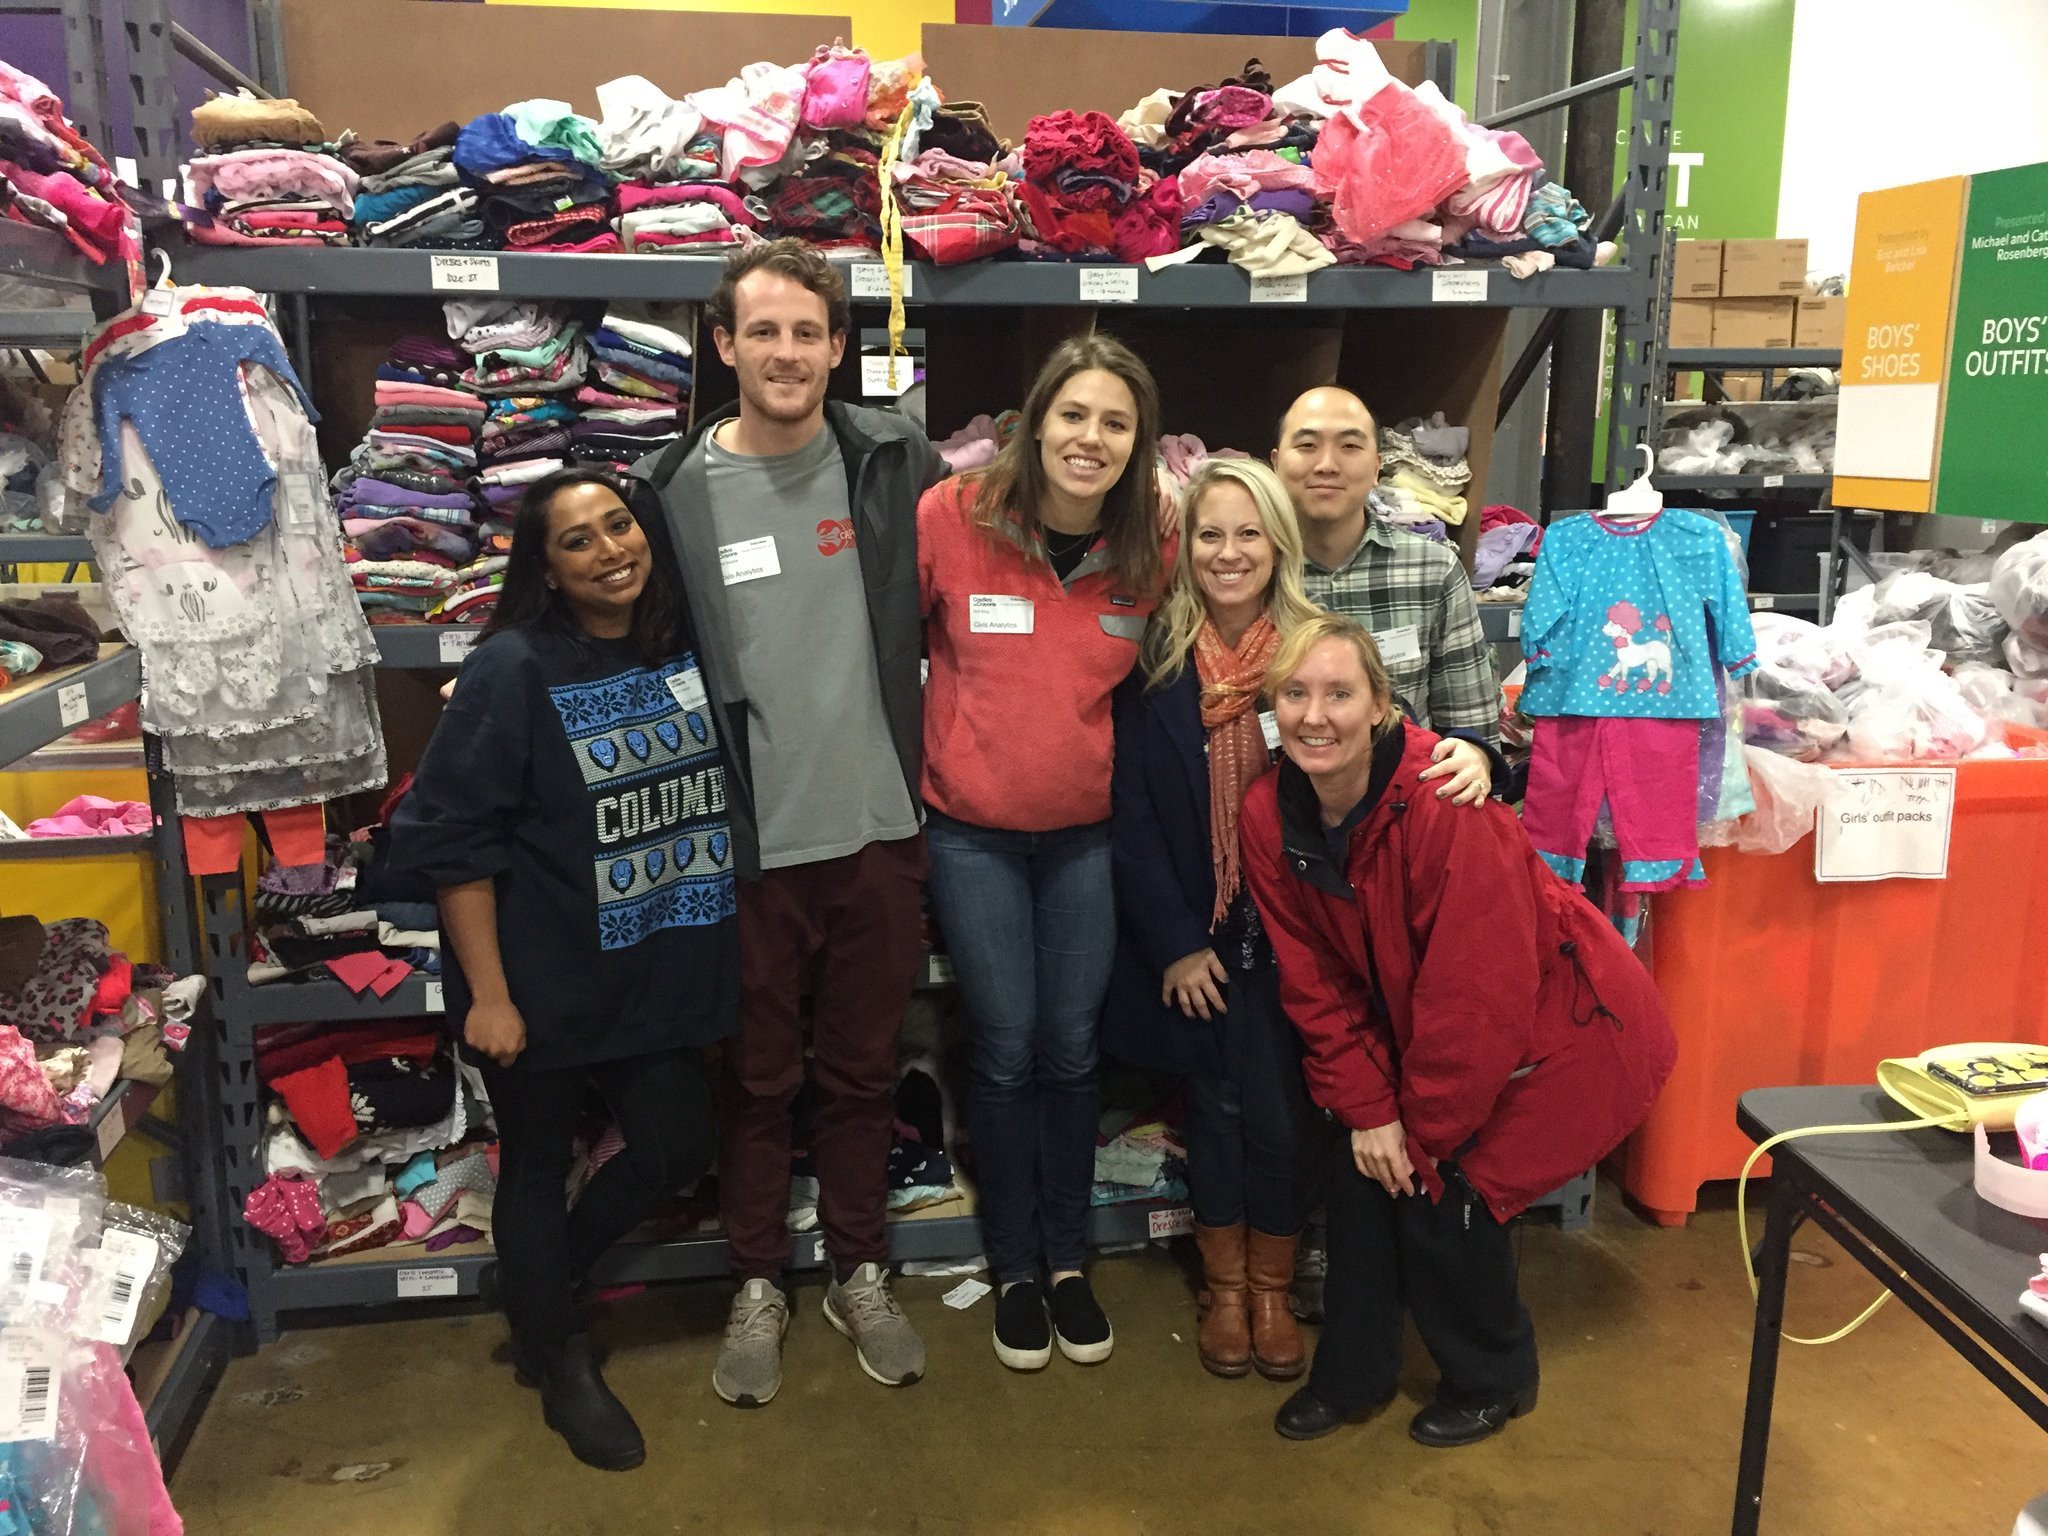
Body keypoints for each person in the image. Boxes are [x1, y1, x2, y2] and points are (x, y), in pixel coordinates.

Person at [1240, 614, 1676, 1448]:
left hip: (1571, 1033)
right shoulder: (1270, 814)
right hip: (1435, 1029)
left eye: (1339, 692)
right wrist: (1370, 1112)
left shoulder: (1444, 803)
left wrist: (1420, 1133)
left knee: (1449, 1193)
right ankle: (1354, 1376)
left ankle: (1494, 1378)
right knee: (1358, 1169)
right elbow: (1313, 978)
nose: (1315, 714)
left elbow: (1478, 998)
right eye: (1295, 694)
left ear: (1380, 707)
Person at [1105, 459, 1498, 1383]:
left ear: (1278, 540)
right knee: (1216, 1109)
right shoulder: (1156, 662)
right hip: (1199, 942)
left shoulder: (1309, 655)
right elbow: (1130, 816)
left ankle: (1275, 1288)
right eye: (1210, 534)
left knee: (1283, 1116)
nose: (1229, 553)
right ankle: (1226, 1287)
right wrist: (1174, 942)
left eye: (1249, 533)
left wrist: (1476, 753)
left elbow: (1385, 740)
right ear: (1185, 546)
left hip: (1303, 936)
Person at [636, 239, 944, 1406]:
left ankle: (860, 1270)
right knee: (757, 1082)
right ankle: (756, 1279)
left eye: (807, 333)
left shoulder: (891, 457)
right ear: (723, 345)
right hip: (753, 843)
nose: (786, 353)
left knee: (863, 1073)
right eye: (762, 331)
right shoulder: (671, 490)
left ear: (835, 348)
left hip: (876, 830)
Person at [390, 468, 739, 1471]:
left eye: (618, 526)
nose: (609, 550)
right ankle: (560, 1358)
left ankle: (544, 1287)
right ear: (545, 568)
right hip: (537, 981)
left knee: (678, 1142)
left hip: (653, 972)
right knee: (536, 1167)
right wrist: (490, 996)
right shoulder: (511, 666)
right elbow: (453, 837)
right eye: (577, 540)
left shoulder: (677, 647)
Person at [918, 333, 1167, 1373]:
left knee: (1071, 1051)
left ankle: (1068, 1263)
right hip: (969, 834)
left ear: (1136, 444)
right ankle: (1013, 1264)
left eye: (1115, 423)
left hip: (1083, 842)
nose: (1090, 439)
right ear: (1033, 422)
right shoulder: (952, 518)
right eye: (1074, 415)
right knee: (1007, 1045)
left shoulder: (1151, 546)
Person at [1271, 386, 1501, 746]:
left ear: (1378, 466)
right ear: (1275, 463)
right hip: (1272, 798)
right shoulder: (1250, 574)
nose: (1327, 464)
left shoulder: (1432, 570)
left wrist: (1477, 758)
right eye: (1307, 445)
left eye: (1349, 446)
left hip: (1405, 797)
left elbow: (1473, 732)